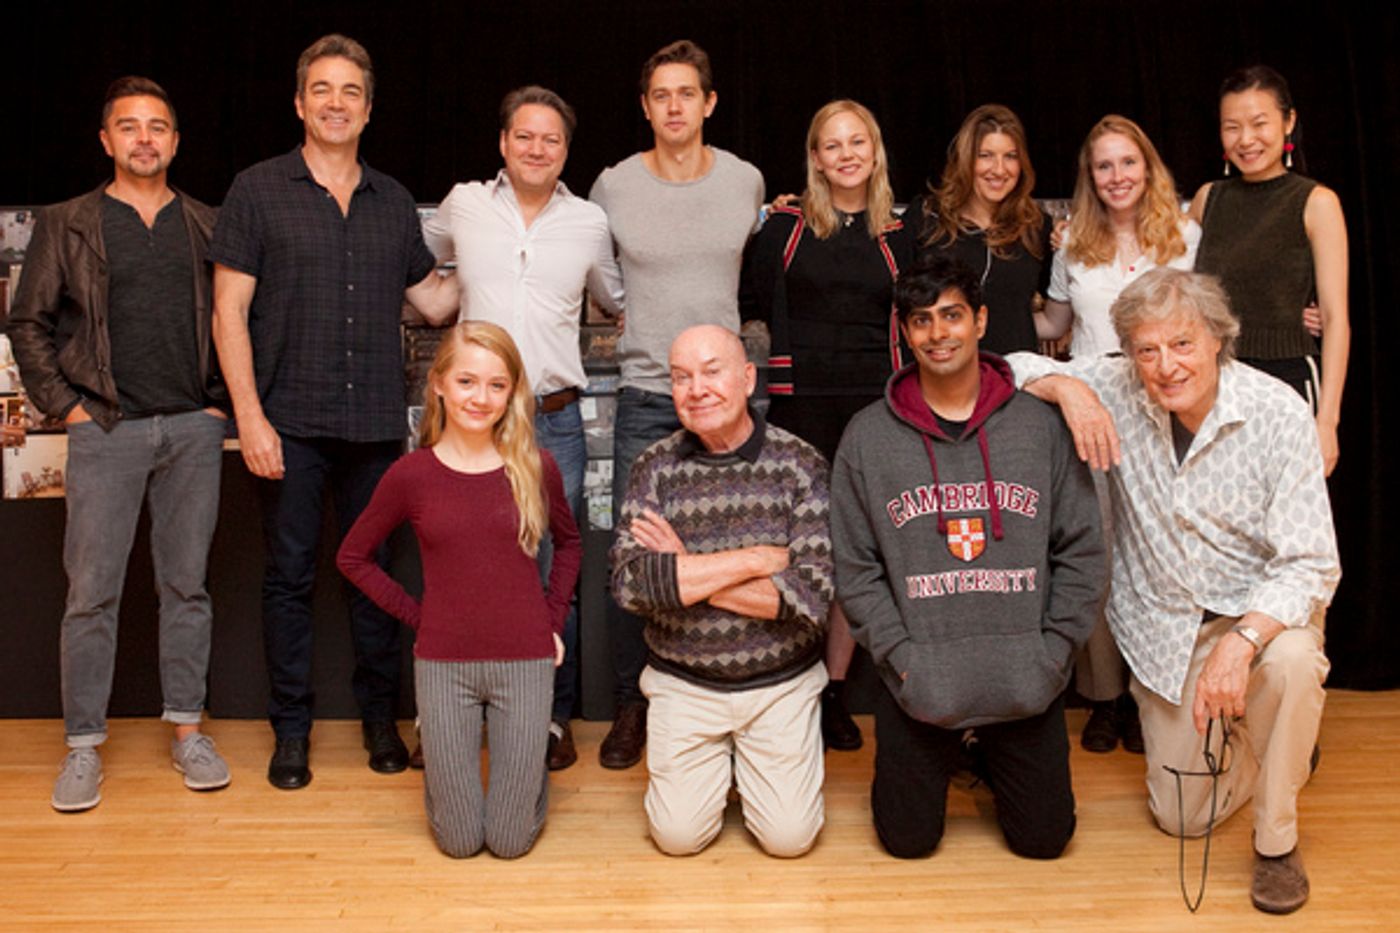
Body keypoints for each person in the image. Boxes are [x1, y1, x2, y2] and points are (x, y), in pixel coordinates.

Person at [1008, 268, 1339, 914]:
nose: (1165, 365)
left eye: (1182, 344)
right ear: (1128, 352)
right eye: (1147, 348)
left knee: (1295, 664)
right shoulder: (1116, 384)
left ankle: (1277, 839)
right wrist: (1066, 388)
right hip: (1169, 626)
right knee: (1180, 816)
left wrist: (1241, 643)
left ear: (1218, 338)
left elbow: (1310, 562)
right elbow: (1006, 365)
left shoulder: (1278, 412)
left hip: (1262, 616)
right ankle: (1277, 742)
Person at [210, 34, 459, 790]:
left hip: (376, 426)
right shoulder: (257, 190)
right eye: (322, 88)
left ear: (369, 107)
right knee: (288, 577)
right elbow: (228, 313)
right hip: (285, 421)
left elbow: (435, 300)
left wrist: (504, 246)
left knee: (374, 573)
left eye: (351, 90)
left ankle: (380, 720)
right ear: (299, 102)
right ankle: (291, 731)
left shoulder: (390, 201)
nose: (336, 102)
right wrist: (248, 417)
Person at [830, 256, 1103, 860]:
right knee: (906, 842)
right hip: (920, 684)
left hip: (1025, 680)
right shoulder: (868, 437)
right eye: (922, 321)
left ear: (980, 320)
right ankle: (950, 750)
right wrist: (902, 661)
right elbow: (855, 567)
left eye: (952, 315)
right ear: (905, 333)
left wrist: (1053, 654)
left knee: (1044, 842)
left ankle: (982, 751)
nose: (938, 333)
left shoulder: (1040, 427)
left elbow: (1082, 551)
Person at [8, 76, 231, 811]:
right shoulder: (69, 221)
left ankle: (187, 732)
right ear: (106, 140)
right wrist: (65, 407)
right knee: (91, 595)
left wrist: (215, 410)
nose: (144, 138)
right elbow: (28, 323)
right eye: (129, 126)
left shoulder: (206, 223)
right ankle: (81, 746)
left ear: (175, 140)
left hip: (192, 433)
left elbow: (237, 322)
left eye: (158, 126)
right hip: (103, 430)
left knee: (187, 587)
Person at [422, 85, 623, 771]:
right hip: (472, 421)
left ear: (565, 151)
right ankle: (445, 710)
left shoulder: (591, 222)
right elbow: (409, 253)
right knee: (458, 567)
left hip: (553, 422)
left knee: (547, 578)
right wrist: (438, 296)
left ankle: (549, 717)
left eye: (552, 140)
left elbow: (613, 296)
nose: (537, 148)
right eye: (525, 136)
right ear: (504, 143)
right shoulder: (463, 205)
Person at [338, 322, 579, 858]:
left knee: (511, 842)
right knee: (461, 841)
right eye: (467, 381)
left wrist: (551, 621)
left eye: (497, 385)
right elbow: (352, 557)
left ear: (513, 393)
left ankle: (527, 780)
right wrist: (420, 617)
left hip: (526, 663)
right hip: (445, 666)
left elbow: (570, 546)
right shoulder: (411, 474)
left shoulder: (536, 467)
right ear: (440, 385)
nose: (481, 397)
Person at [590, 39, 764, 769]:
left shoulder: (747, 182)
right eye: (660, 95)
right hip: (647, 395)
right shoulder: (614, 186)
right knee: (638, 552)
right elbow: (603, 280)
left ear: (709, 103)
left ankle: (733, 694)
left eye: (686, 93)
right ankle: (636, 704)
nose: (674, 107)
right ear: (645, 106)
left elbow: (750, 272)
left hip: (726, 398)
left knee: (730, 547)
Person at [611, 324, 832, 857]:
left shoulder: (800, 464)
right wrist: (755, 561)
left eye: (712, 372)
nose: (697, 389)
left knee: (789, 840)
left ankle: (747, 765)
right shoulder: (653, 467)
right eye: (681, 377)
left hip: (779, 686)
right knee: (677, 839)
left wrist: (683, 571)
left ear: (748, 378)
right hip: (683, 685)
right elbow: (631, 586)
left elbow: (808, 597)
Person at [740, 99, 912, 752]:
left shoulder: (899, 235)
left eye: (856, 142)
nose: (845, 155)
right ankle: (788, 683)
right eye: (831, 145)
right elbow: (750, 302)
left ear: (875, 151)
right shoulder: (782, 227)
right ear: (815, 158)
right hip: (799, 407)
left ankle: (833, 692)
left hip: (875, 411)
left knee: (854, 555)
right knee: (794, 554)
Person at [1040, 114, 1201, 754]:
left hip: (1162, 402)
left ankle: (1150, 690)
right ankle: (1105, 700)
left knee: (1157, 557)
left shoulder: (1184, 236)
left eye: (1127, 163)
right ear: (1090, 177)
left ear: (1148, 167)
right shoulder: (1073, 239)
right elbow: (1054, 318)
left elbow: (1205, 318)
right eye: (1103, 166)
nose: (1116, 177)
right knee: (1098, 557)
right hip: (1090, 406)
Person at [1190, 65, 1349, 476]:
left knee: (1288, 527)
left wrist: (1327, 421)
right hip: (1216, 383)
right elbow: (1156, 254)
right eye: (1232, 127)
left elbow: (1335, 318)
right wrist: (1068, 232)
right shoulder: (1209, 199)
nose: (1246, 140)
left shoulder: (1316, 202)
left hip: (1289, 381)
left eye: (1259, 123)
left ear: (1289, 121)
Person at [904, 104, 1052, 355]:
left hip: (1014, 381)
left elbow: (1058, 313)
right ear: (965, 159)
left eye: (1010, 156)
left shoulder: (1037, 227)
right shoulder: (926, 218)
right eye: (985, 155)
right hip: (939, 381)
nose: (999, 169)